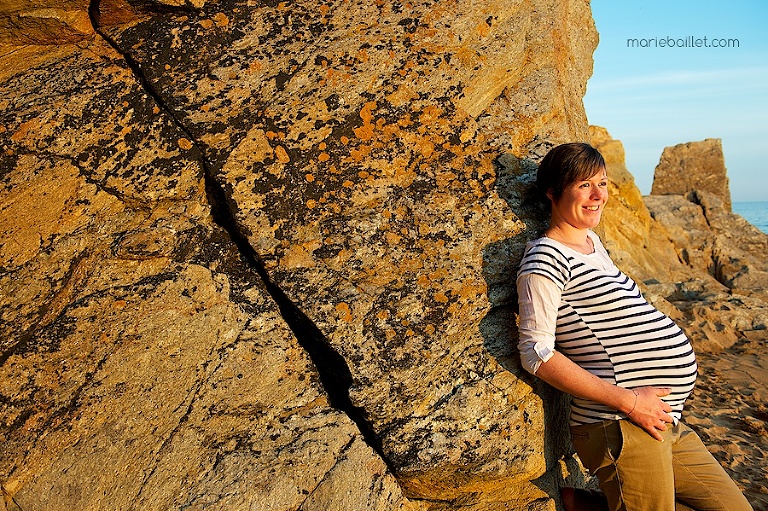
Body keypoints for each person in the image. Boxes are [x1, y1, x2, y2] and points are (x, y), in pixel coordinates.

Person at [516, 142, 753, 511]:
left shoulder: (593, 244)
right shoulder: (544, 259)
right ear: (552, 192)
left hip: (661, 420)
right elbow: (537, 355)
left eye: (603, 183)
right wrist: (630, 402)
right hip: (620, 423)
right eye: (583, 185)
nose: (598, 195)